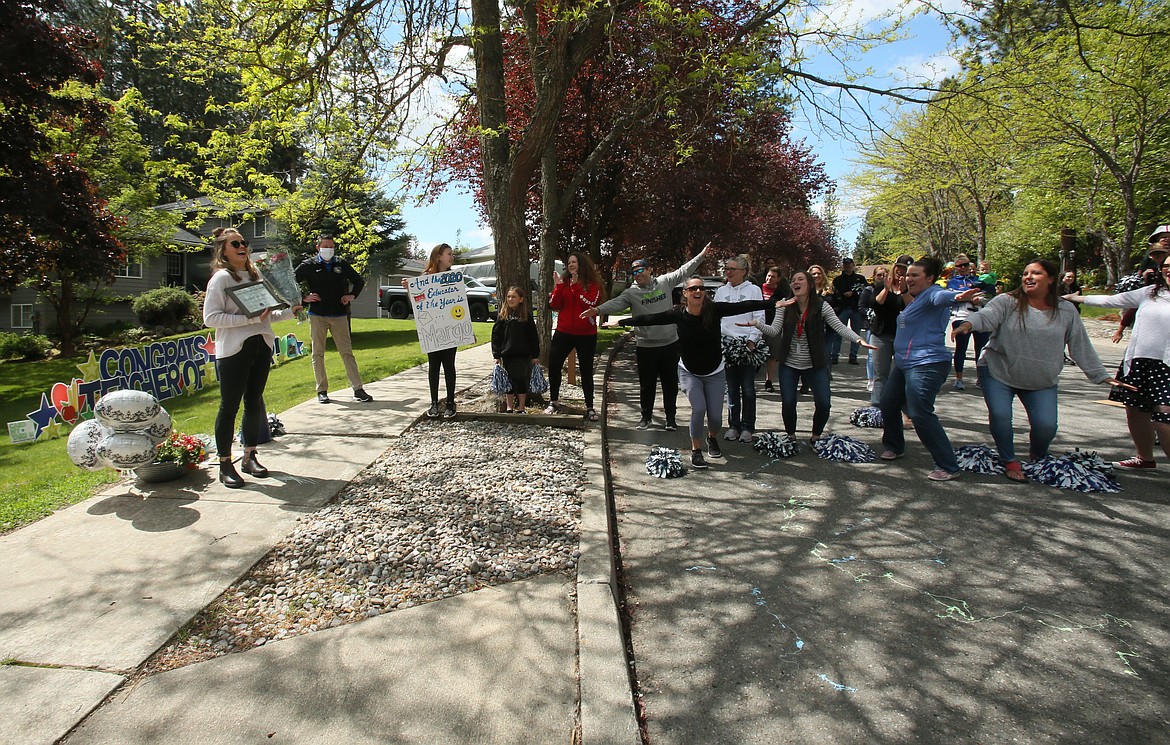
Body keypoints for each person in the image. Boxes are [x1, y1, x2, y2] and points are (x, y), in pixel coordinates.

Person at [954, 259, 1125, 483]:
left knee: (1046, 426)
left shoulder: (1065, 310)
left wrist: (1102, 375)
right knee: (1001, 416)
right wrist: (968, 324)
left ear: (1051, 279)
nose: (1029, 277)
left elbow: (1080, 345)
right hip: (998, 371)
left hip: (1041, 379)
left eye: (1036, 273)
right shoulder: (1007, 302)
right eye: (1026, 273)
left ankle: (1038, 454)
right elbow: (985, 316)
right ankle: (1009, 460)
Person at [613, 276, 774, 469]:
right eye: (693, 289)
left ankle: (712, 438)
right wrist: (623, 322)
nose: (698, 291)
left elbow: (744, 306)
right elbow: (652, 319)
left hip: (715, 371)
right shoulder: (678, 313)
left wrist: (774, 303)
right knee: (698, 409)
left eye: (701, 288)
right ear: (685, 293)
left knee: (715, 417)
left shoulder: (714, 310)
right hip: (689, 371)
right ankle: (696, 451)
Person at [203, 227, 301, 488]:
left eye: (244, 242)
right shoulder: (222, 278)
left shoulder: (258, 275)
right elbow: (210, 318)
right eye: (235, 244)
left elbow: (268, 316)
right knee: (229, 406)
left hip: (261, 345)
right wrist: (249, 318)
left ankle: (250, 456)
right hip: (234, 350)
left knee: (254, 403)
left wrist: (292, 311)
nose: (242, 247)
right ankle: (225, 463)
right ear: (223, 250)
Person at [583, 243, 710, 430]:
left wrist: (701, 255)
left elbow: (684, 270)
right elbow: (616, 303)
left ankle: (670, 419)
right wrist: (598, 309)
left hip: (669, 344)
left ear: (650, 270)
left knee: (669, 385)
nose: (638, 274)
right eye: (634, 272)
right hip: (646, 347)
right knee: (646, 385)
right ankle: (646, 417)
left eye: (641, 270)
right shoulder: (631, 293)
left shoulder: (665, 282)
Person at [878, 256, 983, 482]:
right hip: (904, 363)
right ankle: (895, 446)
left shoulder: (932, 294)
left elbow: (941, 297)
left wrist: (956, 296)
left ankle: (948, 464)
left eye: (915, 275)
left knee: (920, 413)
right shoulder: (917, 300)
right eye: (908, 275)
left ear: (930, 278)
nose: (909, 278)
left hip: (927, 363)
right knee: (888, 402)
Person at [1065, 249, 1170, 469]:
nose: (1169, 271)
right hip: (1139, 362)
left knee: (1163, 421)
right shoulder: (1150, 292)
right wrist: (1074, 297)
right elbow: (1111, 300)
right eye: (1166, 267)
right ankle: (1145, 458)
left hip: (1166, 366)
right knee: (1135, 411)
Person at [742, 271, 876, 443]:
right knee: (789, 402)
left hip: (815, 363)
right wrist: (757, 324)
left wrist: (858, 339)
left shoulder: (821, 306)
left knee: (824, 403)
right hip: (789, 364)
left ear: (810, 285)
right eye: (793, 280)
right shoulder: (786, 306)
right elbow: (774, 330)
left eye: (800, 279)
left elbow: (840, 327)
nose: (795, 282)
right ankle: (790, 435)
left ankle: (816, 435)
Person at [295, 234, 373, 404]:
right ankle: (321, 390)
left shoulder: (341, 264)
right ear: (318, 248)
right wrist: (304, 298)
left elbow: (358, 281)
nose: (328, 249)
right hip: (317, 315)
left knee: (347, 353)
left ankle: (358, 389)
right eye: (325, 246)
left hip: (339, 315)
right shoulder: (309, 265)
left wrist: (351, 295)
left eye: (331, 246)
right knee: (318, 353)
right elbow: (290, 281)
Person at [405, 243, 461, 418]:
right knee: (434, 366)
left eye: (452, 254)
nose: (451, 257)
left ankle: (450, 403)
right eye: (448, 254)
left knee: (449, 365)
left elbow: (459, 303)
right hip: (432, 329)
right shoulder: (425, 278)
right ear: (438, 256)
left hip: (449, 329)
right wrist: (409, 290)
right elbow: (417, 304)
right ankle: (434, 403)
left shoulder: (453, 277)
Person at [547, 251, 604, 421]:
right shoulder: (563, 283)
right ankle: (554, 401)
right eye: (569, 262)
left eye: (574, 262)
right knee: (554, 364)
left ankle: (590, 407)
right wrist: (557, 287)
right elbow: (554, 305)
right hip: (563, 331)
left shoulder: (593, 284)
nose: (571, 265)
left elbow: (592, 302)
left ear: (582, 264)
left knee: (586, 370)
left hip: (586, 334)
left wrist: (577, 286)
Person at [714, 254, 764, 442]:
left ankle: (748, 427)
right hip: (727, 347)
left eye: (731, 269)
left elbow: (759, 317)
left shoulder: (754, 290)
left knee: (748, 389)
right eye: (726, 269)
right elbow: (717, 319)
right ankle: (734, 425)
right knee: (732, 388)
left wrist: (752, 341)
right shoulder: (720, 292)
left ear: (743, 271)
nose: (727, 272)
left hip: (747, 346)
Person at [868, 255, 911, 407]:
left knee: (905, 373)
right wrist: (887, 289)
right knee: (881, 374)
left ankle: (905, 409)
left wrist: (904, 289)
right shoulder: (882, 284)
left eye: (905, 269)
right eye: (899, 267)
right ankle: (877, 407)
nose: (901, 271)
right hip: (882, 334)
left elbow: (910, 307)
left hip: (904, 337)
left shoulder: (912, 288)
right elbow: (875, 304)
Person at [491, 285, 541, 413]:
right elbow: (496, 335)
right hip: (508, 354)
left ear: (521, 299)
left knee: (522, 380)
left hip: (523, 354)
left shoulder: (526, 316)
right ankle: (509, 406)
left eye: (514, 297)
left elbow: (533, 336)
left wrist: (535, 355)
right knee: (509, 380)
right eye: (508, 297)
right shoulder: (503, 316)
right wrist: (496, 354)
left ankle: (522, 407)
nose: (510, 299)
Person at [946, 253, 988, 390]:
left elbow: (987, 295)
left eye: (966, 265)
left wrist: (979, 298)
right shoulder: (952, 282)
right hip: (961, 317)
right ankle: (959, 378)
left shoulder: (978, 280)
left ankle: (981, 378)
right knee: (961, 349)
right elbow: (952, 298)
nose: (963, 267)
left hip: (979, 316)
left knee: (981, 349)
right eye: (960, 265)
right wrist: (968, 298)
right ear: (955, 267)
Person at [758, 267, 793, 393]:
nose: (769, 278)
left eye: (773, 277)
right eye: (768, 276)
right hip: (756, 326)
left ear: (778, 279)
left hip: (773, 326)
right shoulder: (757, 289)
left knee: (772, 355)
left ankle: (769, 381)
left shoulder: (781, 294)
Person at [829, 257, 868, 365]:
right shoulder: (838, 280)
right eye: (845, 264)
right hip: (842, 308)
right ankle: (834, 356)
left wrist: (853, 293)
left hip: (856, 308)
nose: (847, 266)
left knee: (855, 334)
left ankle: (853, 356)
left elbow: (866, 291)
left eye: (849, 264)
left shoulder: (860, 279)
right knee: (838, 333)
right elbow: (834, 294)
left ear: (853, 265)